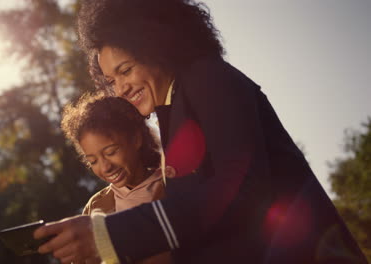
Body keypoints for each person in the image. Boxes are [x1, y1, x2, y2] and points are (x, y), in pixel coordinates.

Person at [34, 0, 368, 263]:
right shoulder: (174, 109)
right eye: (111, 81)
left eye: (126, 71)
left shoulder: (207, 77)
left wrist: (108, 235)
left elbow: (242, 194)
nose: (119, 88)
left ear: (156, 46)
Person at [60, 93, 172, 263]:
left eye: (111, 152)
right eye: (93, 161)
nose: (105, 167)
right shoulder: (96, 205)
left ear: (136, 139)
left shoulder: (170, 186)